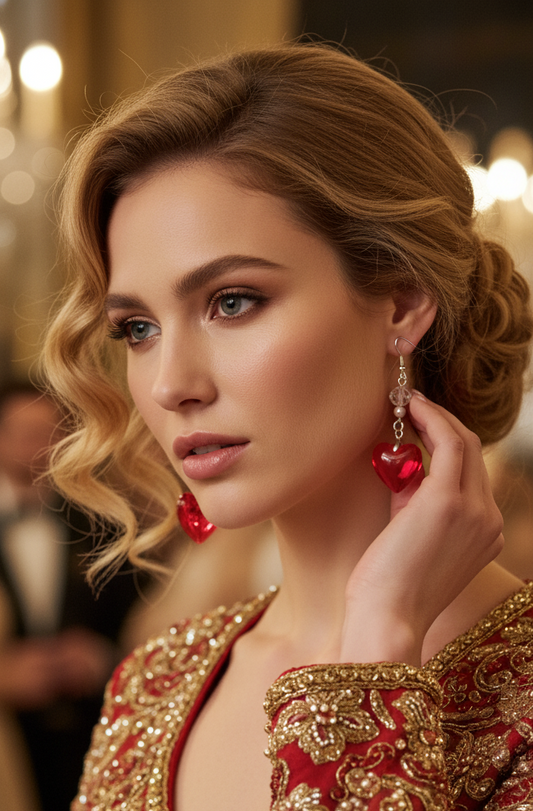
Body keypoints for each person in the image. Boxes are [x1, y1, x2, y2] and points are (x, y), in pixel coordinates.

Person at [42, 43, 533, 810]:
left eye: (232, 301)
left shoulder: (522, 703)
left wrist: (376, 646)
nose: (171, 384)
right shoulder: (153, 685)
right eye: (137, 328)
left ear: (401, 304)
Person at [0, 382, 142, 810]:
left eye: (48, 432)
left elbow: (140, 623)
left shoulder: (106, 526)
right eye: (23, 432)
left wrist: (102, 656)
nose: (37, 445)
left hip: (87, 737)